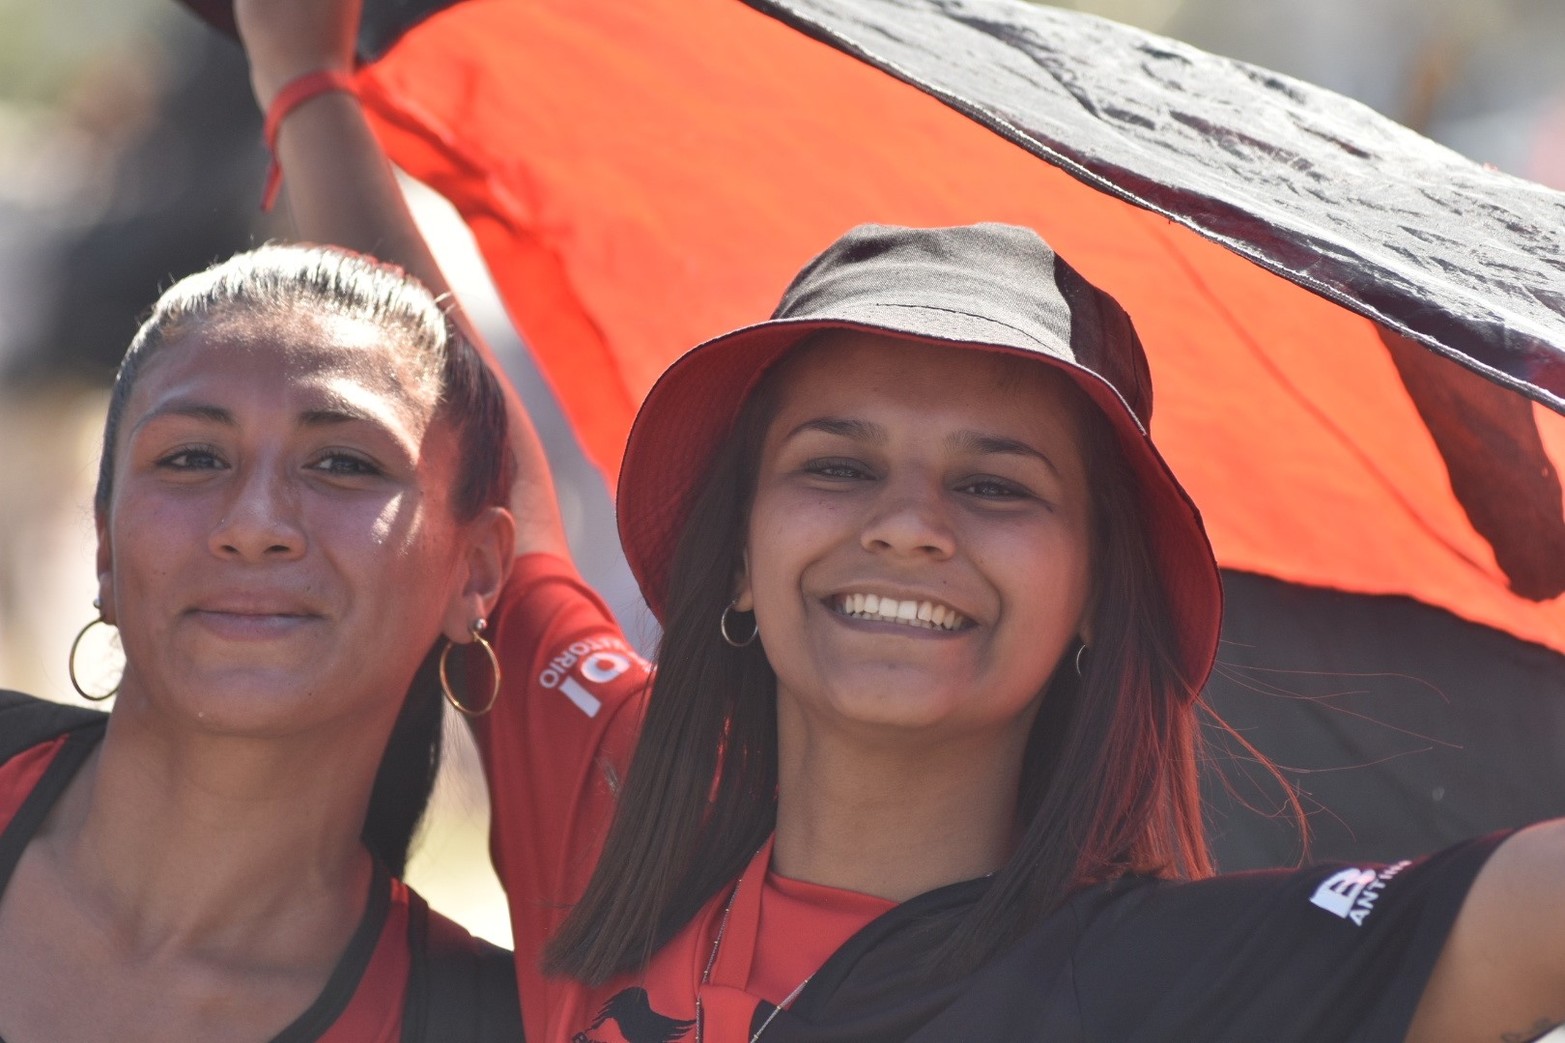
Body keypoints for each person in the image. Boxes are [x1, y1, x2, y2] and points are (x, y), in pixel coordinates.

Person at [233, 2, 1565, 1040]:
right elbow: (476, 460)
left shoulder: (1171, 978)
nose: (911, 525)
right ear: (736, 559)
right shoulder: (616, 803)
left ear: (1098, 591)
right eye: (836, 465)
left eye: (996, 484)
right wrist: (303, 77)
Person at [0, 244, 524, 1042]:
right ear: (105, 543)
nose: (253, 526)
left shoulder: (483, 1023)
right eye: (192, 457)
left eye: (343, 463)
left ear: (476, 572)